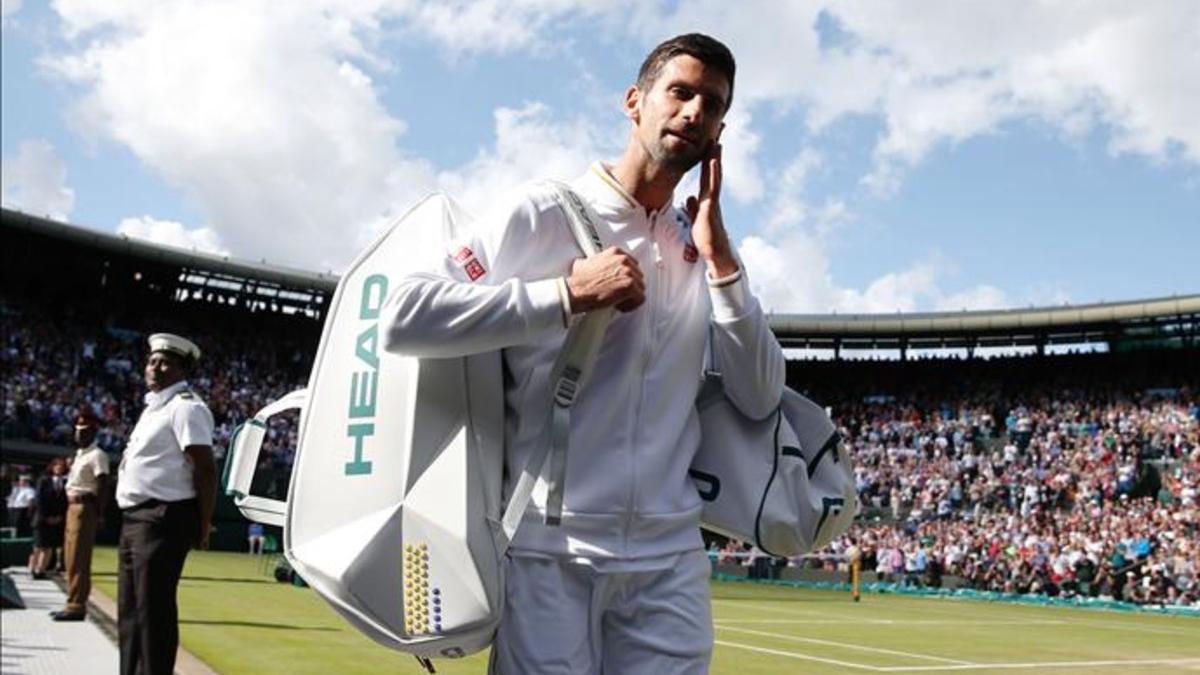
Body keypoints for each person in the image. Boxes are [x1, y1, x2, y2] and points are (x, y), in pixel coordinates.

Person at [385, 33, 783, 673]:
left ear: (721, 130)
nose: (693, 113)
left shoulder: (699, 247)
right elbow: (403, 315)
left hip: (669, 560)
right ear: (635, 101)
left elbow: (760, 395)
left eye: (711, 105)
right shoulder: (547, 210)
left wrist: (722, 260)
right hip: (551, 551)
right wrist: (566, 293)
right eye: (679, 93)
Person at [115, 333, 217, 675]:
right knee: (130, 614)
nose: (155, 368)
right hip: (135, 518)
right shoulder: (154, 406)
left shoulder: (186, 407)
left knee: (152, 614)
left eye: (165, 363)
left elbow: (204, 469)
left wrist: (203, 524)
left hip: (162, 517)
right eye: (152, 361)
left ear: (182, 370)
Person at [52, 411, 111, 621]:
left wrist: (100, 513)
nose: (79, 434)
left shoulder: (97, 455)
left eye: (84, 431)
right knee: (69, 557)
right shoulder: (79, 454)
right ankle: (71, 601)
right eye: (77, 430)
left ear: (93, 432)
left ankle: (77, 605)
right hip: (72, 507)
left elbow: (103, 484)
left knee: (79, 558)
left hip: (85, 507)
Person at [30, 458, 69, 579]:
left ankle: (41, 570)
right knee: (38, 546)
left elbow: (65, 503)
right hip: (42, 519)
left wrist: (59, 517)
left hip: (57, 521)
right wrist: (46, 517)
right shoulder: (44, 480)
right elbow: (39, 500)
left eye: (62, 466)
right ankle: (33, 569)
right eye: (57, 466)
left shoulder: (66, 483)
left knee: (49, 547)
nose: (59, 468)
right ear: (52, 467)